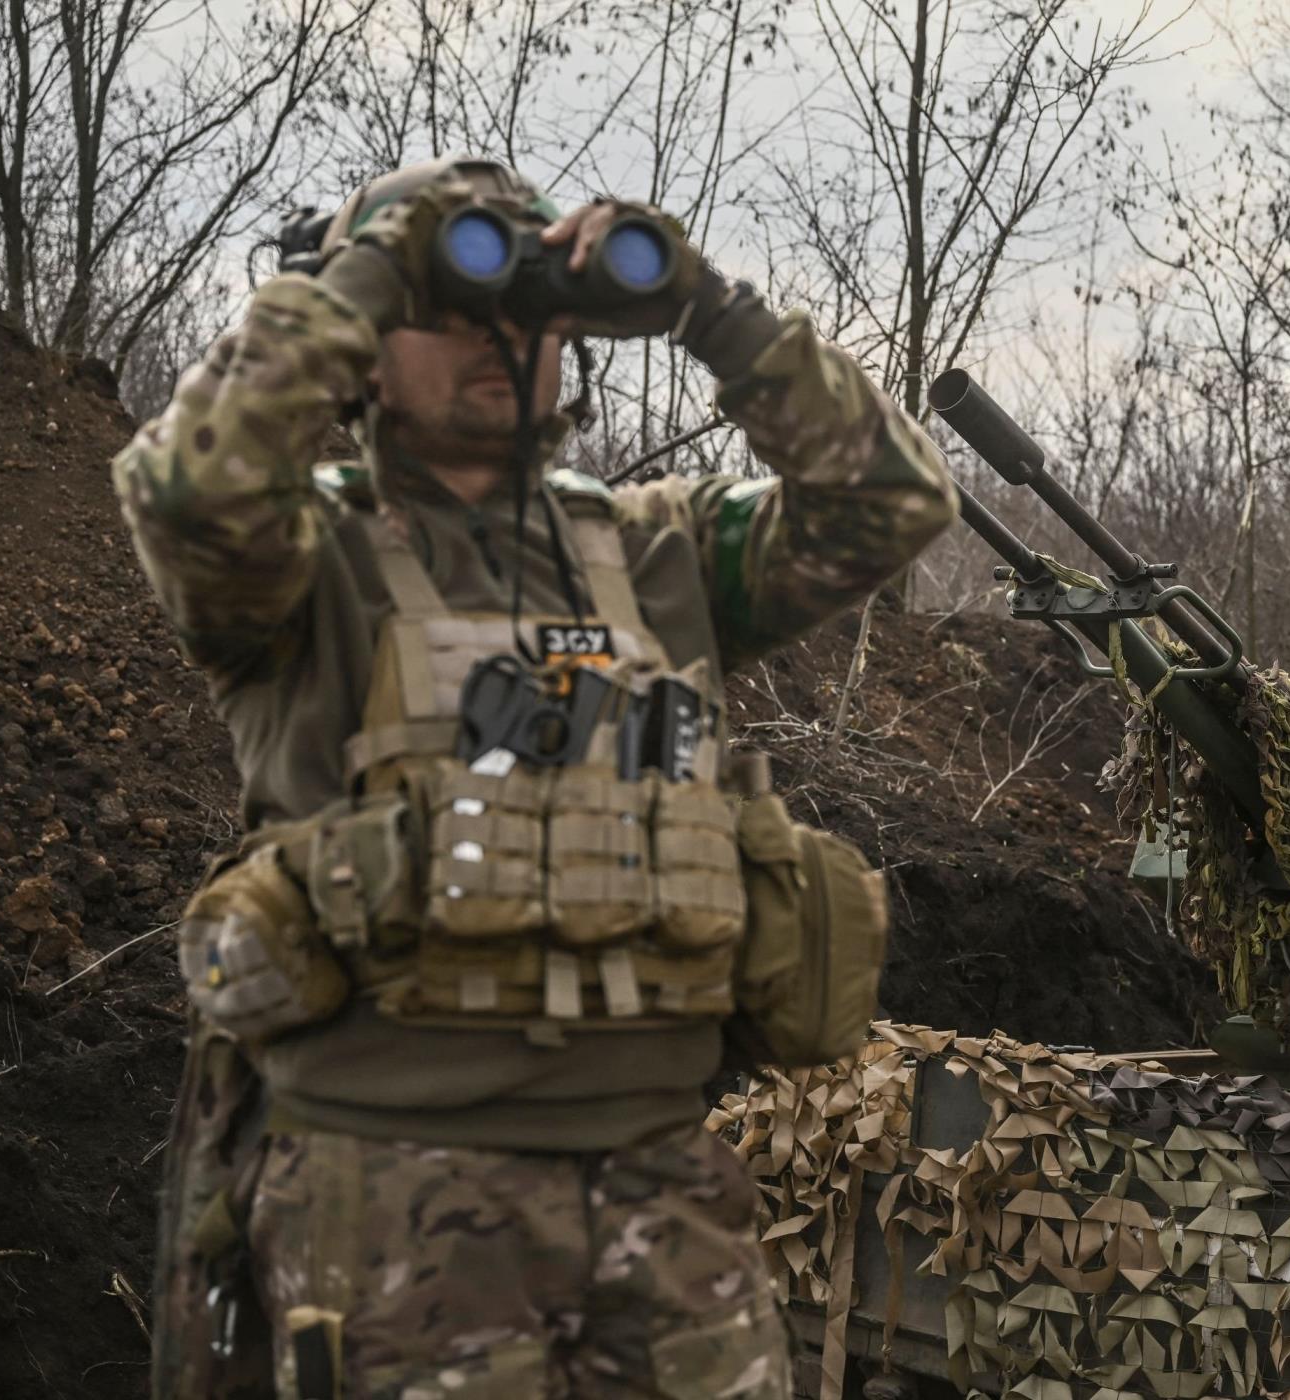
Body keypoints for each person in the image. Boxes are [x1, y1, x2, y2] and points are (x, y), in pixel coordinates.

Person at [115, 158, 956, 1397]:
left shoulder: (658, 553)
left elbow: (889, 498)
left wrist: (705, 308)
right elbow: (191, 486)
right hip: (392, 1193)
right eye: (449, 308)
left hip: (663, 1182)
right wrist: (365, 266)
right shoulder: (302, 563)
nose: (498, 341)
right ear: (363, 341)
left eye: (529, 310)